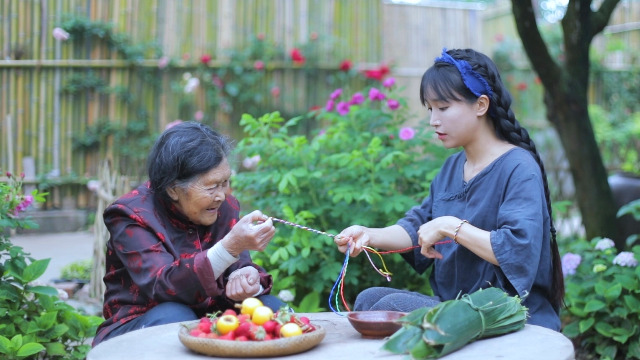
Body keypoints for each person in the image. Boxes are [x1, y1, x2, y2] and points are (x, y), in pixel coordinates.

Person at [334, 48, 564, 331]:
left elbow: (518, 250)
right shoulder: (452, 168)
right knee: (369, 301)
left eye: (443, 108)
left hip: (504, 311)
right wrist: (368, 234)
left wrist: (449, 226)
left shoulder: (518, 167)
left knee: (388, 307)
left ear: (481, 105)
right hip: (456, 306)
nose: (433, 120)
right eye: (430, 109)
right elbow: (416, 227)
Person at [93, 121, 284, 346]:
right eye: (212, 186)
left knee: (271, 308)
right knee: (175, 318)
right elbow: (164, 288)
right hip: (142, 325)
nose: (222, 195)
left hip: (209, 320)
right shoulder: (130, 215)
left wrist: (248, 279)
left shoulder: (224, 207)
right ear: (173, 189)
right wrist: (229, 247)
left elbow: (238, 267)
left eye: (225, 182)